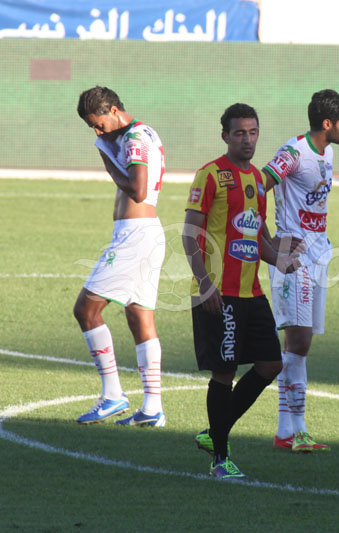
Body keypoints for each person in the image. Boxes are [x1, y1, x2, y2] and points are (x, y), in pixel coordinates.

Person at [184, 103, 300, 479]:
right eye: (239, 133)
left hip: (251, 292)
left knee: (270, 364)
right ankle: (220, 459)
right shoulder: (211, 175)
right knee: (224, 371)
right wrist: (205, 284)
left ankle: (214, 430)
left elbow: (258, 238)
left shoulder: (256, 180)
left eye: (252, 132)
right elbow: (191, 234)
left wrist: (280, 259)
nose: (247, 139)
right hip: (219, 292)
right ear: (225, 136)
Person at [262, 89, 339, 453]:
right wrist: (272, 243)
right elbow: (258, 186)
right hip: (293, 255)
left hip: (319, 252)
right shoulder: (293, 152)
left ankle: (288, 431)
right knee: (297, 342)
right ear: (328, 123)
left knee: (302, 344)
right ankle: (295, 429)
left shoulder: (327, 151)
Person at [73, 86, 167, 427]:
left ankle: (113, 395)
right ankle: (153, 408)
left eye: (98, 124)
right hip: (145, 234)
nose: (98, 132)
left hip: (134, 237)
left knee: (86, 309)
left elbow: (138, 189)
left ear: (113, 110)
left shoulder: (135, 139)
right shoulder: (139, 134)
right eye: (92, 128)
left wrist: (108, 162)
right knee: (139, 316)